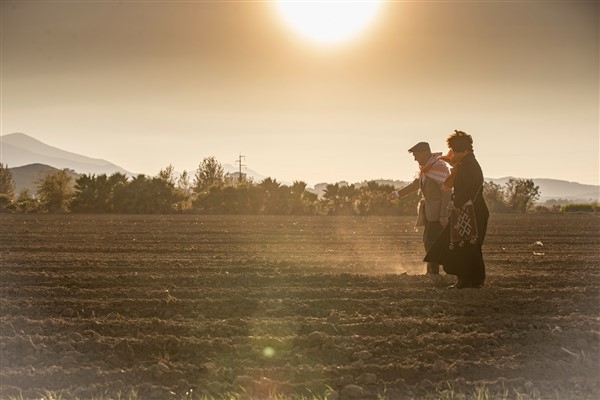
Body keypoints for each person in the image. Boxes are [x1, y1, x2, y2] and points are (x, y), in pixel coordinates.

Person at [424, 130, 489, 288]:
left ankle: (466, 279)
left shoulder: (469, 164)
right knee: (468, 245)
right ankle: (473, 279)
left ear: (462, 149)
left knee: (463, 244)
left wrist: (458, 203)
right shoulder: (467, 163)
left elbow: (471, 187)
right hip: (471, 209)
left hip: (470, 210)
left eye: (454, 149)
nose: (452, 153)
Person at [390, 141, 451, 274]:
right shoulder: (426, 168)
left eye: (416, 155)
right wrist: (397, 194)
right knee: (428, 241)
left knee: (432, 242)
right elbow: (416, 184)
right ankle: (432, 271)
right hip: (429, 212)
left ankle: (433, 272)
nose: (415, 158)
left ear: (424, 153)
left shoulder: (438, 167)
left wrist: (444, 214)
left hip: (437, 214)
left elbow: (447, 191)